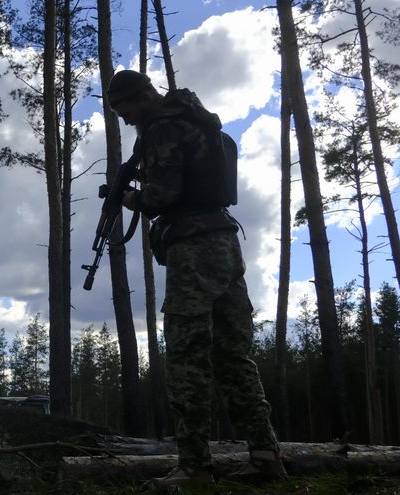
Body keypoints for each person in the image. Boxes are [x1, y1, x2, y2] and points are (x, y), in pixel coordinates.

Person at [106, 69, 287, 487]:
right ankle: (265, 455)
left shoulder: (164, 126)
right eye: (118, 111)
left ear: (145, 95)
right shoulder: (197, 119)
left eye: (126, 107)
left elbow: (163, 196)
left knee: (187, 359)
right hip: (225, 243)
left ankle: (194, 467)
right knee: (233, 357)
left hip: (193, 251)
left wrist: (134, 198)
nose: (125, 116)